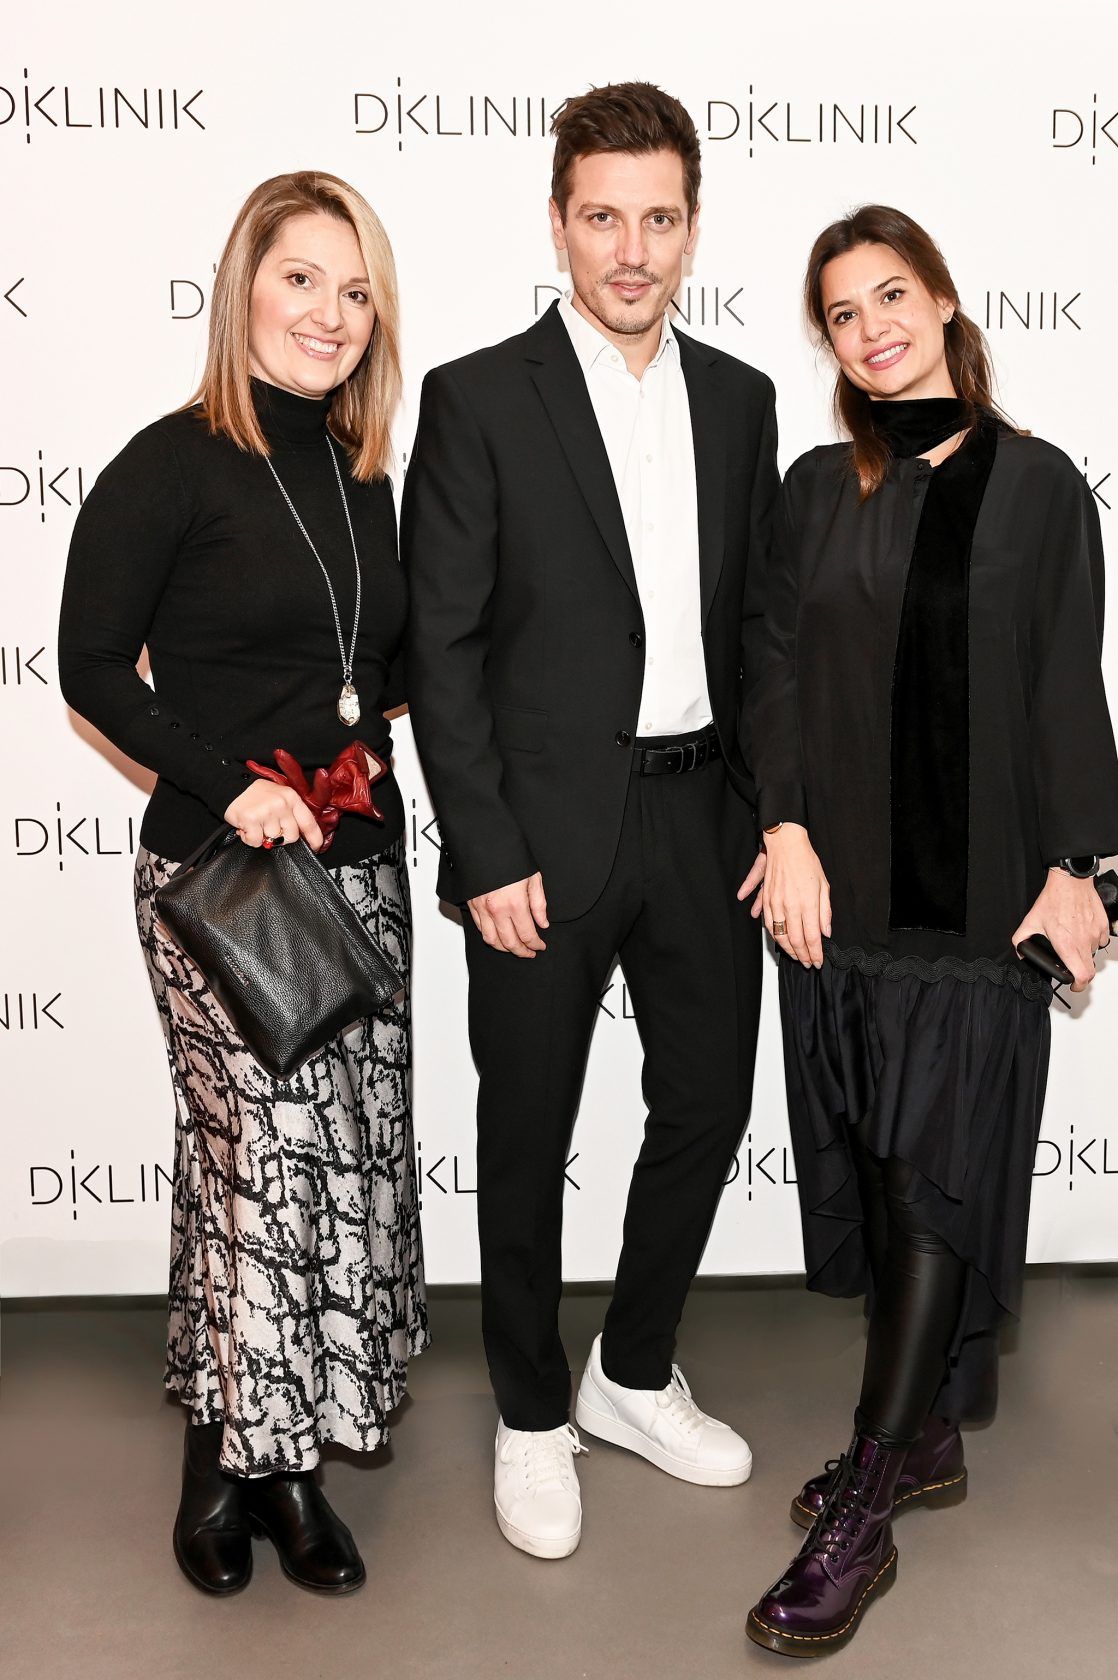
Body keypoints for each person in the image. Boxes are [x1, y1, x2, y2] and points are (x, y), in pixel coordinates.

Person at [401, 82, 778, 1559]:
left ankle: (631, 1370)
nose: (632, 249)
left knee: (707, 1105)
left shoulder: (741, 401)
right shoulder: (479, 397)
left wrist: (778, 818)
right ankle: (530, 1411)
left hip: (705, 821)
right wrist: (486, 849)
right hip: (541, 840)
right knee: (524, 1129)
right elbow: (442, 650)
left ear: (692, 227)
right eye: (604, 216)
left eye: (658, 218)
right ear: (558, 222)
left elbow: (760, 636)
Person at [742, 203, 1118, 1656]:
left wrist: (1083, 871)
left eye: (891, 295)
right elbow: (772, 670)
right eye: (843, 313)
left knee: (934, 1180)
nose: (872, 328)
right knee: (885, 1178)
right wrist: (781, 831)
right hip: (840, 901)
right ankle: (929, 1435)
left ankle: (869, 1491)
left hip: (978, 910)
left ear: (945, 300)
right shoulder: (811, 489)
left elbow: (1067, 685)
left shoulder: (1040, 486)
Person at [58, 171, 427, 1597]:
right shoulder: (170, 463)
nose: (329, 314)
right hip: (221, 883)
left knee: (330, 1176)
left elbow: (383, 668)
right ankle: (240, 1471)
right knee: (257, 1170)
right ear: (243, 287)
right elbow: (93, 666)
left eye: (356, 291)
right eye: (301, 279)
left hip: (358, 869)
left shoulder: (368, 473)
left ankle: (275, 1466)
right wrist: (232, 781)